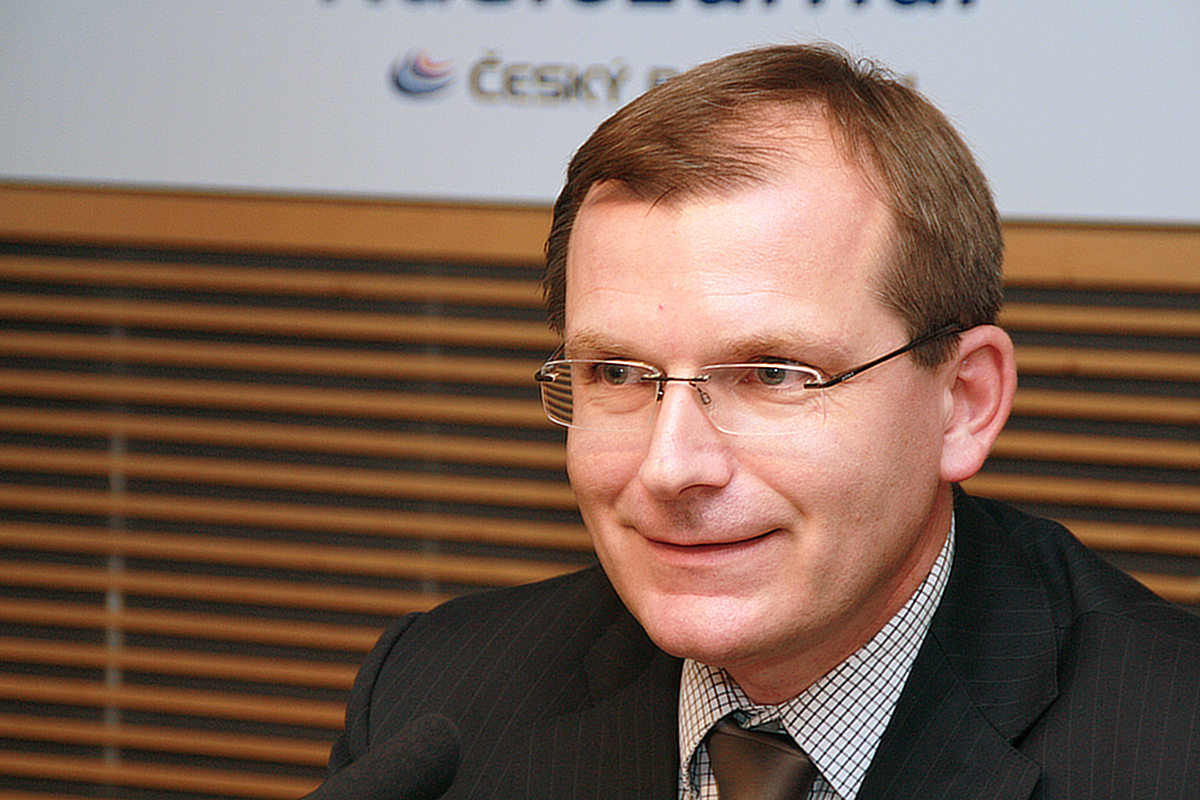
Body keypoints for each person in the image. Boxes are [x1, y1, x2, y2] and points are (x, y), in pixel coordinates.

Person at [319, 43, 1200, 799]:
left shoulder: (1171, 744)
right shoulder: (434, 695)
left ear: (963, 402)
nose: (670, 467)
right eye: (617, 373)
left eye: (772, 374)